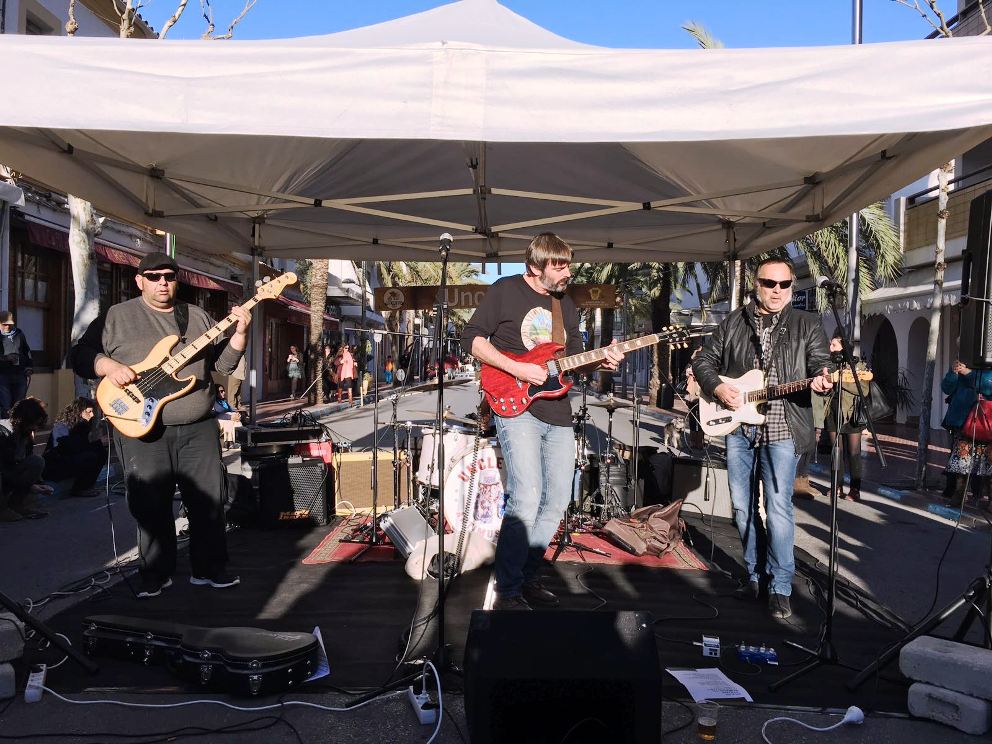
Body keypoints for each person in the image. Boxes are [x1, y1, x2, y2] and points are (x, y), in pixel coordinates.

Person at [70, 252, 251, 598]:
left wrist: (240, 334)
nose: (162, 283)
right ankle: (155, 573)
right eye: (153, 277)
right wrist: (109, 367)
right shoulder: (115, 316)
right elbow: (79, 356)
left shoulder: (196, 316)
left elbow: (223, 366)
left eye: (169, 276)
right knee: (150, 503)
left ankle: (210, 569)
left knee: (209, 500)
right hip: (141, 427)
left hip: (197, 426)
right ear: (139, 281)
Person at [462, 232, 624, 611]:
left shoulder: (564, 303)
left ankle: (527, 575)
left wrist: (602, 361)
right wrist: (518, 368)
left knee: (559, 499)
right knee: (527, 496)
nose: (568, 272)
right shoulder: (505, 290)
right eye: (559, 266)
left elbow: (575, 361)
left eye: (568, 265)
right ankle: (507, 589)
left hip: (558, 411)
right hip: (516, 406)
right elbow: (472, 339)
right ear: (536, 266)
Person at [693, 257, 832, 620]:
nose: (777, 291)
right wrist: (718, 387)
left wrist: (823, 376)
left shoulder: (806, 323)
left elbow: (820, 362)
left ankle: (780, 586)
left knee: (778, 506)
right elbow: (703, 362)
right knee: (741, 506)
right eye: (770, 283)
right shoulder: (734, 322)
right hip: (739, 426)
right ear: (757, 284)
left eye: (785, 285)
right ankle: (755, 575)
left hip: (783, 424)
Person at [823, 334, 869, 502]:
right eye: (830, 345)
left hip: (851, 414)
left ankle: (855, 488)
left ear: (843, 347)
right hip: (832, 412)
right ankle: (837, 485)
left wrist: (840, 380)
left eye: (834, 345)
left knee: (854, 452)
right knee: (836, 451)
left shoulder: (858, 365)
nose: (830, 348)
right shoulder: (828, 365)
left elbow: (863, 390)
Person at [941, 359, 992, 508]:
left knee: (989, 464)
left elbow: (988, 386)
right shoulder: (962, 363)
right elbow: (947, 388)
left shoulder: (981, 370)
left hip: (986, 423)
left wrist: (969, 374)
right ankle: (958, 497)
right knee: (961, 463)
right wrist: (953, 373)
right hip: (963, 424)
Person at [42, 397, 108, 497]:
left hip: (71, 460)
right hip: (57, 465)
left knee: (101, 452)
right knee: (90, 456)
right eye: (89, 412)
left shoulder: (82, 426)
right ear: (80, 411)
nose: (92, 415)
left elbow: (82, 445)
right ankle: (80, 488)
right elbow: (65, 449)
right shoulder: (62, 426)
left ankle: (87, 485)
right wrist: (95, 443)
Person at [0, 397, 53, 521]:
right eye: (33, 424)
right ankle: (2, 510)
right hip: (2, 472)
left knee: (37, 462)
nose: (35, 428)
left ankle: (16, 504)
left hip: (8, 472)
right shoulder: (3, 432)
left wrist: (36, 484)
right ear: (23, 420)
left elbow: (25, 459)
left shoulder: (24, 434)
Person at [0, 311, 32, 419]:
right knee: (6, 405)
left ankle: (18, 427)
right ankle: (5, 428)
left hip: (20, 374)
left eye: (10, 324)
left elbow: (26, 351)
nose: (7, 326)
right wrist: (5, 358)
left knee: (19, 405)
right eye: (5, 324)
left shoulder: (19, 333)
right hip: (3, 376)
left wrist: (29, 367)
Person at [213, 384, 241, 449]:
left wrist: (237, 414)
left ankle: (229, 442)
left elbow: (231, 410)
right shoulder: (214, 402)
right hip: (217, 421)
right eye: (221, 391)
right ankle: (233, 441)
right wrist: (230, 416)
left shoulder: (224, 401)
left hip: (225, 421)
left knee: (233, 421)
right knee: (229, 420)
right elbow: (219, 412)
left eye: (224, 391)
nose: (224, 392)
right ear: (216, 392)